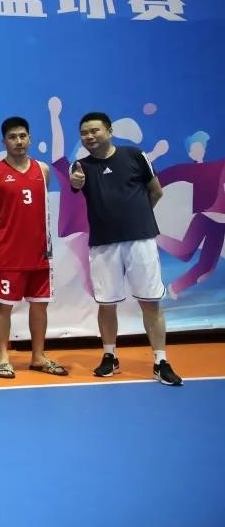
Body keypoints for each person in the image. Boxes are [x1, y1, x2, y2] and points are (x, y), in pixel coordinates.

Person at [70, 112, 182, 386]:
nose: (89, 136)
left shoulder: (134, 156)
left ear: (109, 131)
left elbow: (156, 191)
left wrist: (137, 219)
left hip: (140, 241)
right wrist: (76, 183)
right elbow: (76, 185)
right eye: (84, 133)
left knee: (150, 302)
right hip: (103, 244)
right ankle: (110, 356)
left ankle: (160, 361)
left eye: (94, 130)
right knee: (106, 304)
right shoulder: (81, 166)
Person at [0, 117, 67, 380]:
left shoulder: (43, 170)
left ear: (29, 138)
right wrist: (6, 236)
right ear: (3, 141)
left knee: (39, 306)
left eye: (23, 136)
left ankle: (38, 356)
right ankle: (3, 358)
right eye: (13, 137)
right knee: (4, 306)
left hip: (40, 252)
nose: (19, 141)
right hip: (9, 254)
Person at [156, 131, 225, 298]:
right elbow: (171, 174)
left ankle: (175, 288)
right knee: (184, 252)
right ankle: (153, 235)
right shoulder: (200, 169)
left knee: (206, 268)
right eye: (194, 148)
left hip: (220, 225)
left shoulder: (218, 166)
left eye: (200, 147)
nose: (198, 151)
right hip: (204, 218)